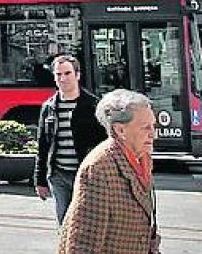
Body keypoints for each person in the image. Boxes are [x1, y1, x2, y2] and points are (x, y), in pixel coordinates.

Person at [57, 89, 159, 254]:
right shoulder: (99, 169)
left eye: (153, 125)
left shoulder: (142, 159)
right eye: (145, 127)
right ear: (120, 130)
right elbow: (82, 245)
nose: (153, 134)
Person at [34, 54, 104, 225]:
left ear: (77, 75)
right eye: (58, 75)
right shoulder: (48, 107)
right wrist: (40, 180)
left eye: (67, 73)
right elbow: (42, 146)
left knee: (86, 224)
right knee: (64, 224)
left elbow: (104, 145)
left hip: (86, 176)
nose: (62, 79)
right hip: (58, 176)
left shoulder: (93, 105)